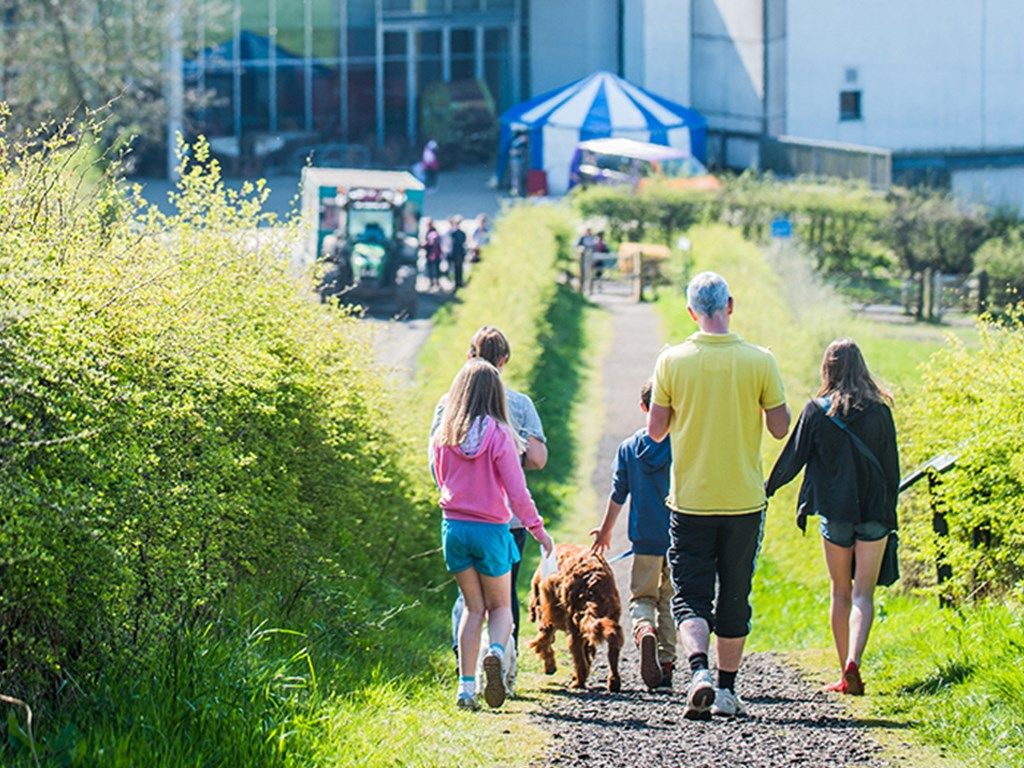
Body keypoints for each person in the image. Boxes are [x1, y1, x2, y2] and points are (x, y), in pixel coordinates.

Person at [647, 271, 790, 720]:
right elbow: (780, 426)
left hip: (690, 499)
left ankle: (698, 673)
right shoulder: (761, 361)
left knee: (690, 595)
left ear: (691, 312)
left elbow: (655, 431)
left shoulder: (671, 361)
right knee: (734, 594)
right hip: (745, 500)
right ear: (731, 305)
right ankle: (727, 692)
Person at [765, 338, 899, 696]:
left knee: (840, 592)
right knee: (863, 595)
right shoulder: (880, 412)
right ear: (861, 367)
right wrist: (890, 515)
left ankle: (844, 673)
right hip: (874, 514)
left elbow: (792, 460)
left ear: (828, 369)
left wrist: (764, 489)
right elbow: (892, 471)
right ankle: (855, 660)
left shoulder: (816, 410)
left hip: (835, 516)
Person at [432, 359, 554, 711]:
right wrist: (538, 529)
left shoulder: (445, 433)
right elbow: (517, 493)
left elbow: (441, 479)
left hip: (453, 528)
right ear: (495, 393)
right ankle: (497, 654)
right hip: (491, 529)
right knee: (501, 608)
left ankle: (465, 689)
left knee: (473, 608)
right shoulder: (500, 434)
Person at [590, 379, 676, 690]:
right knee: (670, 599)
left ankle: (644, 631)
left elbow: (618, 494)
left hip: (645, 540)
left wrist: (605, 530)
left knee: (643, 597)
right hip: (679, 539)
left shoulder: (629, 448)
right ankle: (666, 666)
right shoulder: (682, 442)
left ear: (643, 408)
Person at [449, 215, 468, 290]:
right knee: (457, 269)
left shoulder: (455, 233)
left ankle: (458, 282)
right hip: (457, 253)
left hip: (457, 253)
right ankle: (457, 282)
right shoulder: (455, 233)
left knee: (458, 268)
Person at [422, 218, 442, 290]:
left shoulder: (433, 232)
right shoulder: (428, 232)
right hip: (430, 253)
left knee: (435, 269)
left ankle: (436, 282)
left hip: (434, 254)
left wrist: (425, 244)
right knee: (431, 268)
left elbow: (432, 243)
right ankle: (432, 283)